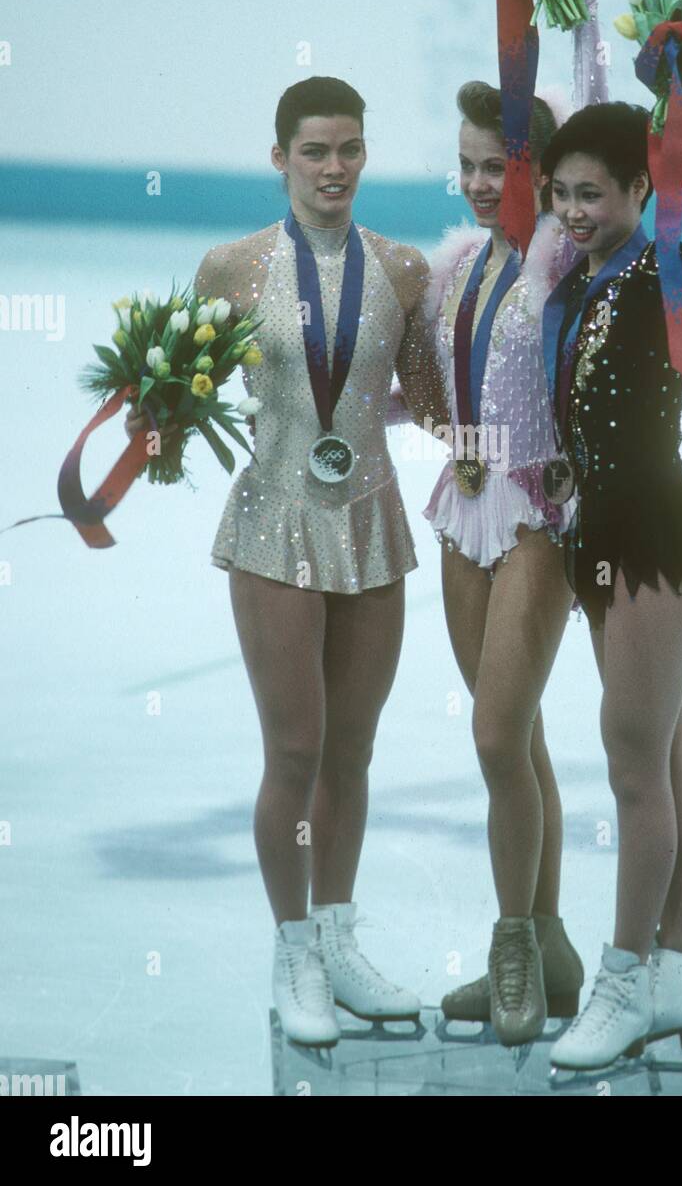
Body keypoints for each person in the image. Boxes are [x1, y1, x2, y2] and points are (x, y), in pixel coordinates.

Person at [126, 75, 447, 1048]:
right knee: (296, 751)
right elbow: (182, 401)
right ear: (280, 158)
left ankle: (339, 935)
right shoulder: (230, 267)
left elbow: (432, 396)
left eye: (349, 147)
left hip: (371, 524)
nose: (334, 166)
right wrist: (151, 417)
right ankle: (293, 949)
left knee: (352, 751)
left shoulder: (401, 269)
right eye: (315, 150)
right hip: (272, 525)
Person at [420, 0, 606, 1046]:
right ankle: (548, 942)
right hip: (457, 509)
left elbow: (586, 109)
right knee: (515, 732)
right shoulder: (455, 267)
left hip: (537, 512)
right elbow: (408, 394)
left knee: (496, 735)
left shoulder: (552, 255)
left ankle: (507, 951)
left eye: (503, 168)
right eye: (471, 168)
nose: (485, 184)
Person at [537, 86, 682, 1071]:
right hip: (600, 534)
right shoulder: (582, 280)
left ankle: (625, 979)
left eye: (591, 194)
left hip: (654, 532)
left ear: (633, 187)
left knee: (630, 762)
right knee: (666, 756)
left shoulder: (654, 269)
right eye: (560, 195)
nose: (572, 212)